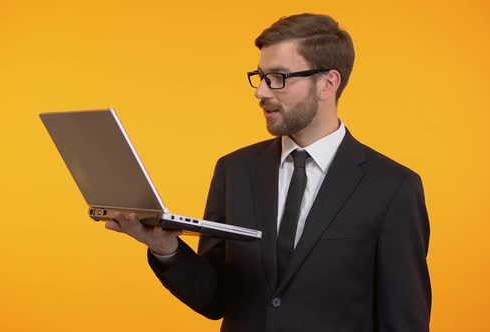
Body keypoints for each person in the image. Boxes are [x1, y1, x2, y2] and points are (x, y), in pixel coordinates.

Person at [105, 13, 431, 332]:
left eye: (278, 78)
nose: (261, 92)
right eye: (260, 76)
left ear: (328, 83)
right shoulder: (235, 170)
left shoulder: (393, 188)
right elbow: (215, 299)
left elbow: (404, 321)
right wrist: (167, 250)